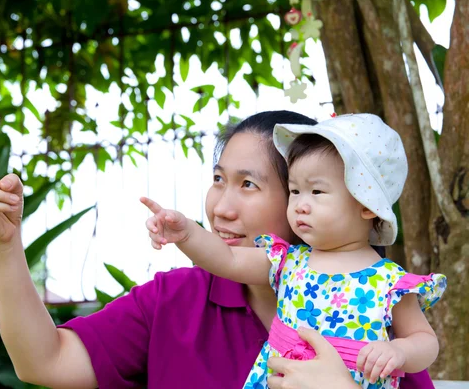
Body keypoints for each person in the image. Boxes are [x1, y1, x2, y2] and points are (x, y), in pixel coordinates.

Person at [0, 111, 437, 389]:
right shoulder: (174, 301)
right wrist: (5, 241)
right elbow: (44, 362)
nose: (221, 207)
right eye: (218, 180)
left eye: (249, 185)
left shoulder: (377, 310)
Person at [142, 113, 446, 389]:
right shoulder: (288, 262)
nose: (300, 204)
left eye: (317, 192)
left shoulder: (390, 283)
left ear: (366, 206)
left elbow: (425, 341)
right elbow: (228, 259)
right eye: (295, 191)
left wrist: (398, 351)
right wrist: (187, 234)